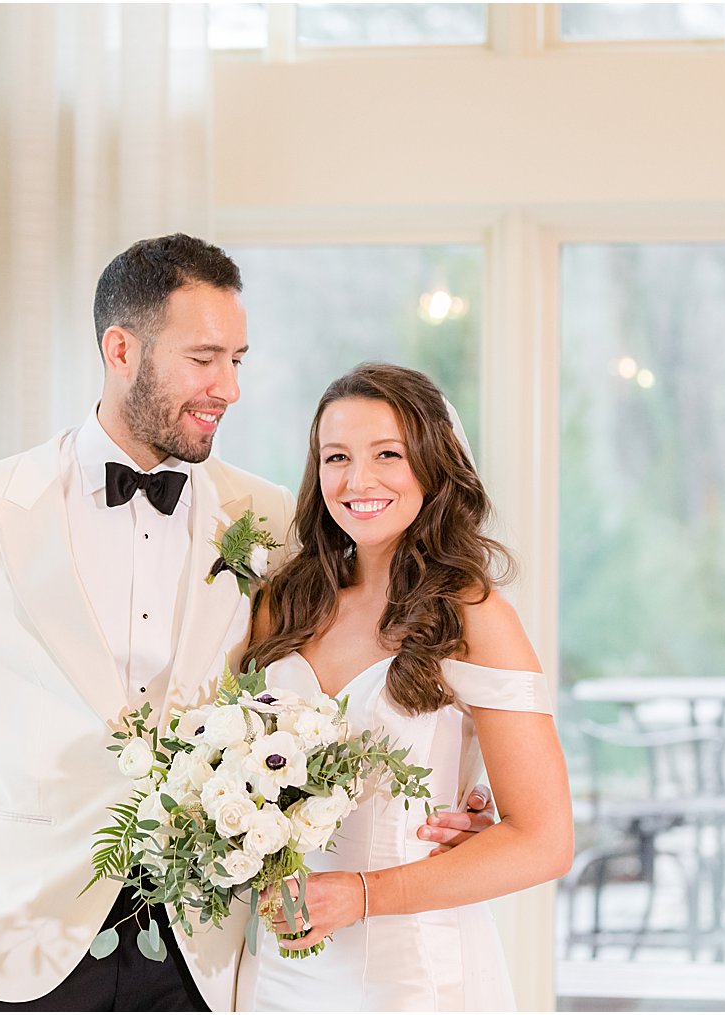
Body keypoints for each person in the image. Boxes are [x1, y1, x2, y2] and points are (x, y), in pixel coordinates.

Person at [0, 236, 494, 1012]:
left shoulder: (271, 517)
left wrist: (463, 780)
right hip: (7, 944)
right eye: (204, 358)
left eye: (239, 360)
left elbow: (350, 664)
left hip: (202, 953)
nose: (229, 388)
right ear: (121, 349)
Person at [236, 362, 574, 1012]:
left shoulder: (472, 614)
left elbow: (545, 838)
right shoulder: (287, 602)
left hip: (412, 972)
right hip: (282, 969)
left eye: (386, 454)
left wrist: (362, 893)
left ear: (432, 464)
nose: (358, 480)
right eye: (337, 457)